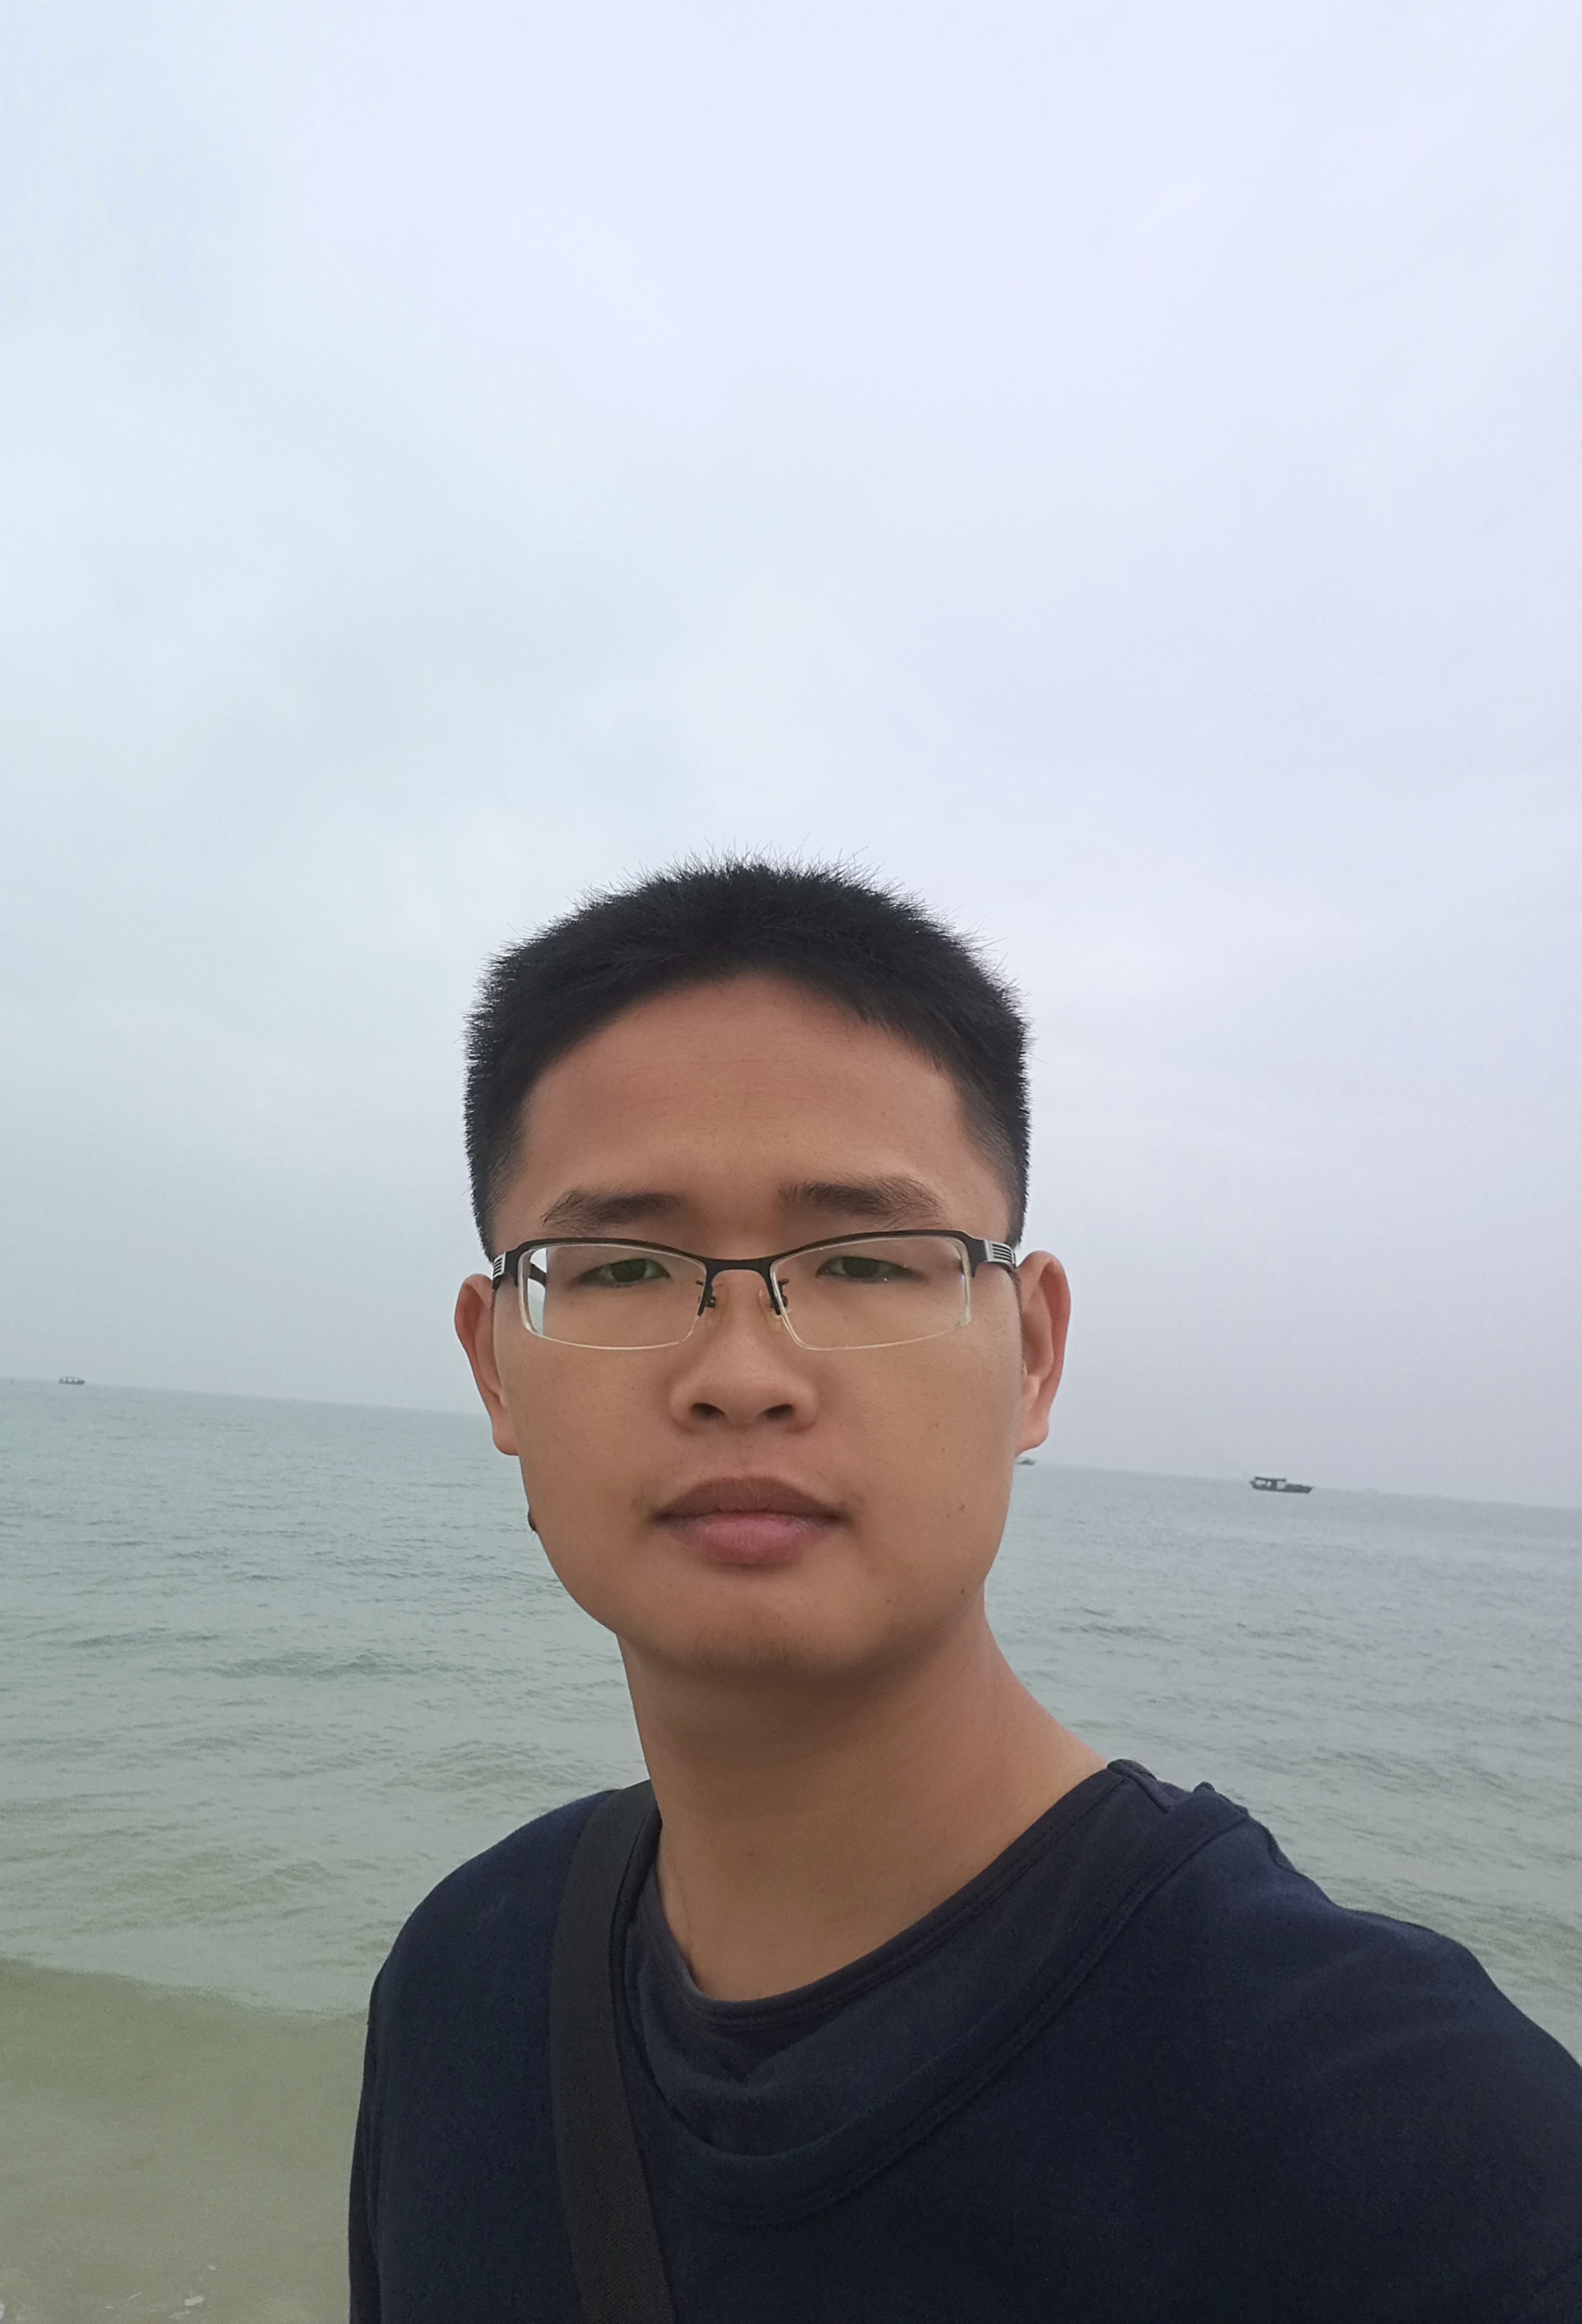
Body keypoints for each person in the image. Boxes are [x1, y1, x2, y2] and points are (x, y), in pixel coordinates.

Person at [348, 857, 1582, 2322]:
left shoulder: (1420, 2154)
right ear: (495, 1364)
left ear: (1034, 1353)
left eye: (870, 1260)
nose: (740, 1374)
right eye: (617, 1269)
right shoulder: (464, 1983)